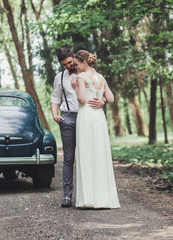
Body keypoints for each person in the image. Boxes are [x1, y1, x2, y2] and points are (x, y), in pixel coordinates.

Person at [50, 47, 105, 208]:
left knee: (88, 156)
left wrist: (102, 102)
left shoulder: (90, 74)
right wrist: (55, 115)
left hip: (87, 116)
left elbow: (101, 93)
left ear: (73, 58)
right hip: (68, 118)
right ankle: (67, 196)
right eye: (64, 65)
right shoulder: (60, 78)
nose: (67, 67)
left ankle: (91, 195)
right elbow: (55, 98)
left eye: (69, 63)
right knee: (68, 158)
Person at [71, 50, 120, 209]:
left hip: (86, 117)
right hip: (99, 117)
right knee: (100, 154)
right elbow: (111, 99)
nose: (76, 68)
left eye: (77, 65)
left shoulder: (81, 77)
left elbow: (82, 99)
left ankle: (89, 199)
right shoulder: (101, 77)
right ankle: (103, 198)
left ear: (84, 63)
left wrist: (75, 87)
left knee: (87, 154)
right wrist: (102, 101)